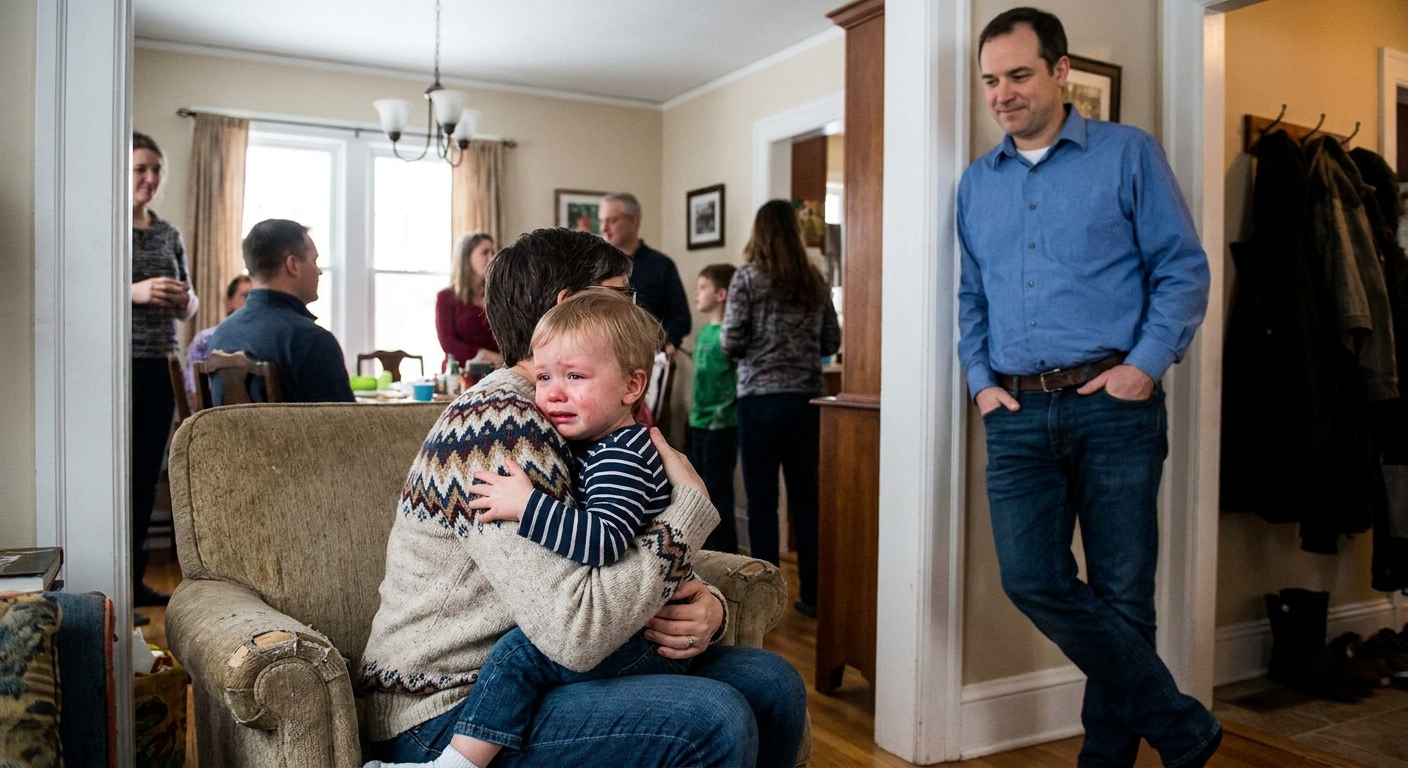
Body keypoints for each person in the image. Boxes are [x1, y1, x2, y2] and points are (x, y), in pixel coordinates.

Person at [358, 228, 807, 768]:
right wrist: (687, 512)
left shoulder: (573, 413)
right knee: (712, 719)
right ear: (574, 306)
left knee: (773, 682)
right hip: (446, 706)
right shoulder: (498, 425)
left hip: (539, 671)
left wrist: (704, 602)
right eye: (623, 296)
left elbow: (617, 532)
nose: (635, 313)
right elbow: (577, 630)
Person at [956, 8, 1219, 767]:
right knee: (1033, 577)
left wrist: (1144, 365)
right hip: (1013, 410)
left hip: (1114, 408)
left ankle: (1105, 761)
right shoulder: (977, 183)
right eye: (990, 81)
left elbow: (1182, 268)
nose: (1002, 93)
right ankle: (1182, 727)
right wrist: (979, 384)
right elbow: (971, 296)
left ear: (1061, 71)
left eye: (1018, 74)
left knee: (1124, 595)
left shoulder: (1128, 155)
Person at [377, 289, 689, 768]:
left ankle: (456, 765)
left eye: (574, 377)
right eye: (544, 376)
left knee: (514, 655)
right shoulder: (581, 438)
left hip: (631, 627)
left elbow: (602, 539)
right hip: (625, 621)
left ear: (632, 386)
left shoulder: (621, 456)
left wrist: (527, 505)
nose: (552, 392)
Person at [720, 200, 840, 619]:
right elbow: (830, 341)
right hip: (807, 401)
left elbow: (731, 340)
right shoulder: (814, 280)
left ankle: (765, 601)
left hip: (759, 401)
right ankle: (814, 594)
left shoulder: (747, 279)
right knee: (806, 500)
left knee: (761, 501)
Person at [130, 131, 199, 622]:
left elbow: (192, 300)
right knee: (118, 474)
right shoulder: (102, 224)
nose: (151, 178)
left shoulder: (168, 232)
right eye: (141, 169)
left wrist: (182, 300)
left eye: (156, 169)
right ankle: (120, 577)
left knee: (145, 475)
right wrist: (134, 292)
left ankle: (133, 580)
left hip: (161, 365)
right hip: (117, 368)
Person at [209, 219, 355, 404]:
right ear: (292, 265)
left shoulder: (221, 335)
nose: (319, 271)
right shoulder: (312, 341)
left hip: (227, 434)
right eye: (314, 261)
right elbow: (346, 427)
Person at [599, 192, 691, 353]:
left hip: (649, 358)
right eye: (601, 221)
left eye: (612, 220)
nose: (603, 228)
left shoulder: (661, 265)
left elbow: (681, 319)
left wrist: (663, 343)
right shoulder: (595, 266)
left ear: (634, 221)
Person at [690, 264, 740, 553]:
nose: (697, 293)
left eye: (704, 287)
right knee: (698, 491)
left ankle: (726, 555)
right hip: (698, 422)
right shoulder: (703, 334)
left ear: (722, 294)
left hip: (721, 426)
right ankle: (703, 553)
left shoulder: (728, 336)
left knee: (718, 493)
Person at [183, 274, 253, 409]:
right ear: (229, 304)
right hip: (212, 419)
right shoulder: (205, 340)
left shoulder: (265, 340)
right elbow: (195, 398)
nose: (252, 302)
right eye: (246, 296)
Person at [436, 233, 503, 372]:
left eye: (493, 252)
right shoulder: (446, 297)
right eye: (485, 252)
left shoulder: (499, 296)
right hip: (460, 374)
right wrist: (483, 354)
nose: (492, 258)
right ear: (467, 258)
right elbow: (448, 343)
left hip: (497, 373)